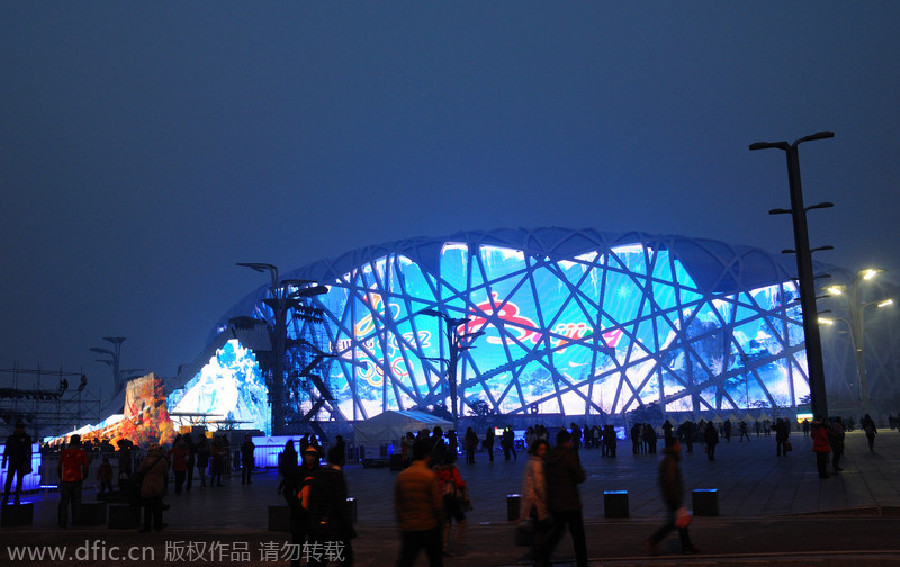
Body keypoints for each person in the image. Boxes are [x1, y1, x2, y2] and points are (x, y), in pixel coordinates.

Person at [645, 438, 699, 555]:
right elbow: (671, 479)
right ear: (674, 445)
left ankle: (686, 545)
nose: (680, 446)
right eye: (678, 443)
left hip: (671, 495)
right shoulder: (670, 459)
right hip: (672, 496)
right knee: (675, 522)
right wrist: (677, 497)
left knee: (680, 521)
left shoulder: (669, 457)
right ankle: (654, 540)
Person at [303, 446, 356, 566]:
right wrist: (349, 529)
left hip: (317, 527)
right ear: (342, 460)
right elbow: (340, 505)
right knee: (345, 558)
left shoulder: (318, 474)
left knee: (317, 560)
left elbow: (311, 501)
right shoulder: (337, 476)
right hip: (334, 527)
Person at [541, 430, 587, 567]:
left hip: (555, 503)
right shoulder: (568, 456)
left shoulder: (550, 456)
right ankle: (582, 562)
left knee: (556, 533)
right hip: (570, 502)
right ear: (568, 441)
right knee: (578, 536)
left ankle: (542, 557)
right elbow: (579, 477)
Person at [395, 438, 443, 567]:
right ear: (427, 456)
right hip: (428, 526)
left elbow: (398, 505)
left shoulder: (402, 476)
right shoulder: (430, 476)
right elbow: (438, 505)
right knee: (436, 560)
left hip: (409, 527)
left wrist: (402, 522)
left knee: (406, 560)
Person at [519, 438, 549, 565]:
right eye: (540, 449)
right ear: (536, 450)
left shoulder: (531, 462)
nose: (543, 452)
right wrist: (546, 500)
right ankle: (539, 558)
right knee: (540, 532)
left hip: (531, 502)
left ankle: (538, 556)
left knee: (538, 531)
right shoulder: (537, 464)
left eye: (544, 449)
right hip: (536, 503)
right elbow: (539, 486)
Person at [435, 458, 470, 556]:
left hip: (441, 499)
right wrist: (464, 485)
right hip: (451, 499)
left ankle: (445, 547)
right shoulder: (453, 469)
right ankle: (457, 541)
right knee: (462, 521)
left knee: (446, 523)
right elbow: (458, 483)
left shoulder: (437, 471)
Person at [57, 434, 90, 527]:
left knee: (64, 502)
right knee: (76, 502)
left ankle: (63, 522)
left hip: (66, 480)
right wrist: (85, 476)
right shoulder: (82, 453)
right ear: (79, 442)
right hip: (77, 479)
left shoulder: (64, 452)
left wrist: (60, 478)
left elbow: (59, 466)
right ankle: (76, 521)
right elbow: (86, 466)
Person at [136, 443, 170, 532]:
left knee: (148, 508)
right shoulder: (162, 461)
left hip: (147, 486)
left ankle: (147, 527)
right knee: (157, 508)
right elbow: (166, 473)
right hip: (158, 485)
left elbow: (139, 470)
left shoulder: (146, 460)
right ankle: (158, 525)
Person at [2, 422, 32, 505]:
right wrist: (28, 462)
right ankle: (14, 498)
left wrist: (4, 462)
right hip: (19, 461)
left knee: (11, 480)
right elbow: (29, 451)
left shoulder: (12, 438)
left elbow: (7, 450)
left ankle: (8, 498)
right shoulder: (26, 438)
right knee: (16, 480)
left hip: (15, 461)